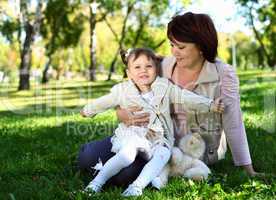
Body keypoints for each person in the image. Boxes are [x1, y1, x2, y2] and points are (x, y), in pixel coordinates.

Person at [77, 12, 260, 188]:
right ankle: (105, 166)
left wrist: (248, 169)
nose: (174, 52)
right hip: (148, 136)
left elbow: (233, 123)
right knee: (87, 156)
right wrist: (122, 113)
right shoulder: (164, 65)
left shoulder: (224, 74)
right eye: (172, 45)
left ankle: (111, 174)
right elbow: (130, 92)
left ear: (201, 46)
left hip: (186, 151)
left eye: (181, 47)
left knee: (125, 173)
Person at [80, 48, 224, 196]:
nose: (143, 70)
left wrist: (210, 104)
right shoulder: (123, 90)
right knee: (127, 155)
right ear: (129, 73)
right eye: (137, 67)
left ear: (156, 69)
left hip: (157, 139)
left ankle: (137, 186)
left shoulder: (164, 87)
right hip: (132, 135)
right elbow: (104, 101)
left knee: (163, 153)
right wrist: (88, 110)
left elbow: (185, 97)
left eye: (148, 66)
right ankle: (96, 183)